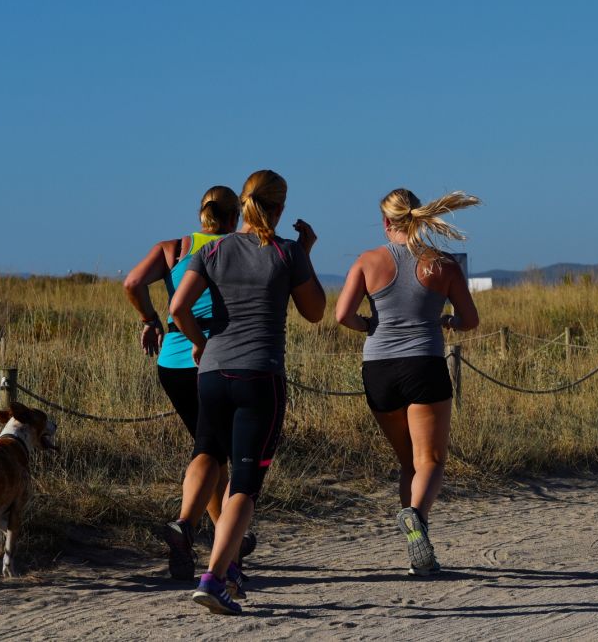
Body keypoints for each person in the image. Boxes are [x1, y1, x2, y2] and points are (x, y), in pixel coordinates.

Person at [169, 169, 325, 616]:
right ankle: (215, 578)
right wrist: (305, 254)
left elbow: (178, 307)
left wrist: (200, 343)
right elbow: (315, 312)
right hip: (261, 377)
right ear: (279, 208)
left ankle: (197, 535)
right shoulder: (286, 251)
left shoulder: (214, 249)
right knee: (244, 486)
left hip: (213, 373)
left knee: (207, 452)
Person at [335, 188, 480, 576]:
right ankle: (415, 517)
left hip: (379, 369)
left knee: (407, 462)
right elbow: (470, 320)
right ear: (418, 219)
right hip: (424, 365)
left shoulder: (367, 261)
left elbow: (342, 314)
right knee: (430, 460)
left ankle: (421, 550)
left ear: (386, 223)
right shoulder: (443, 264)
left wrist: (368, 325)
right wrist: (446, 321)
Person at [122, 185, 241, 579]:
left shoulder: (172, 248)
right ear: (234, 216)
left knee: (209, 449)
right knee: (215, 451)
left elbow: (132, 284)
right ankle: (206, 538)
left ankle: (216, 542)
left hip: (172, 361)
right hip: (215, 356)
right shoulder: (236, 247)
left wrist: (149, 320)